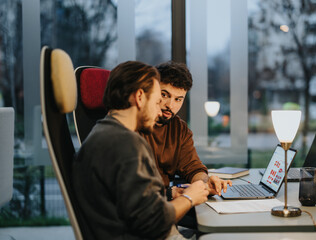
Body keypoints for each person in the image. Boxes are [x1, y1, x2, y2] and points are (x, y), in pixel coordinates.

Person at [72, 61, 209, 240]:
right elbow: (154, 222)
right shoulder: (126, 144)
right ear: (139, 98)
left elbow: (136, 205)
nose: (159, 110)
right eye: (157, 100)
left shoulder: (105, 134)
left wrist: (172, 193)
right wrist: (189, 198)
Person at [140, 61, 232, 198]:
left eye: (178, 99)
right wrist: (171, 193)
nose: (170, 105)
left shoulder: (179, 128)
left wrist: (206, 182)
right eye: (164, 95)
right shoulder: (134, 125)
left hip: (165, 201)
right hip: (145, 203)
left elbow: (193, 168)